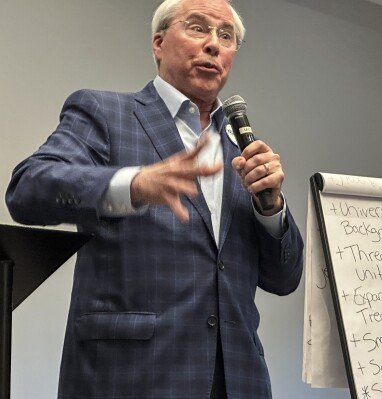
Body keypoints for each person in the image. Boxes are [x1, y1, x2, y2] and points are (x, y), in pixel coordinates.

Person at [5, 0, 304, 398]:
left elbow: (285, 280)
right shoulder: (106, 113)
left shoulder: (239, 152)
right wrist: (132, 184)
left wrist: (271, 209)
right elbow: (27, 188)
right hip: (130, 376)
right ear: (159, 43)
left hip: (237, 380)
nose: (214, 44)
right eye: (198, 28)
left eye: (226, 35)